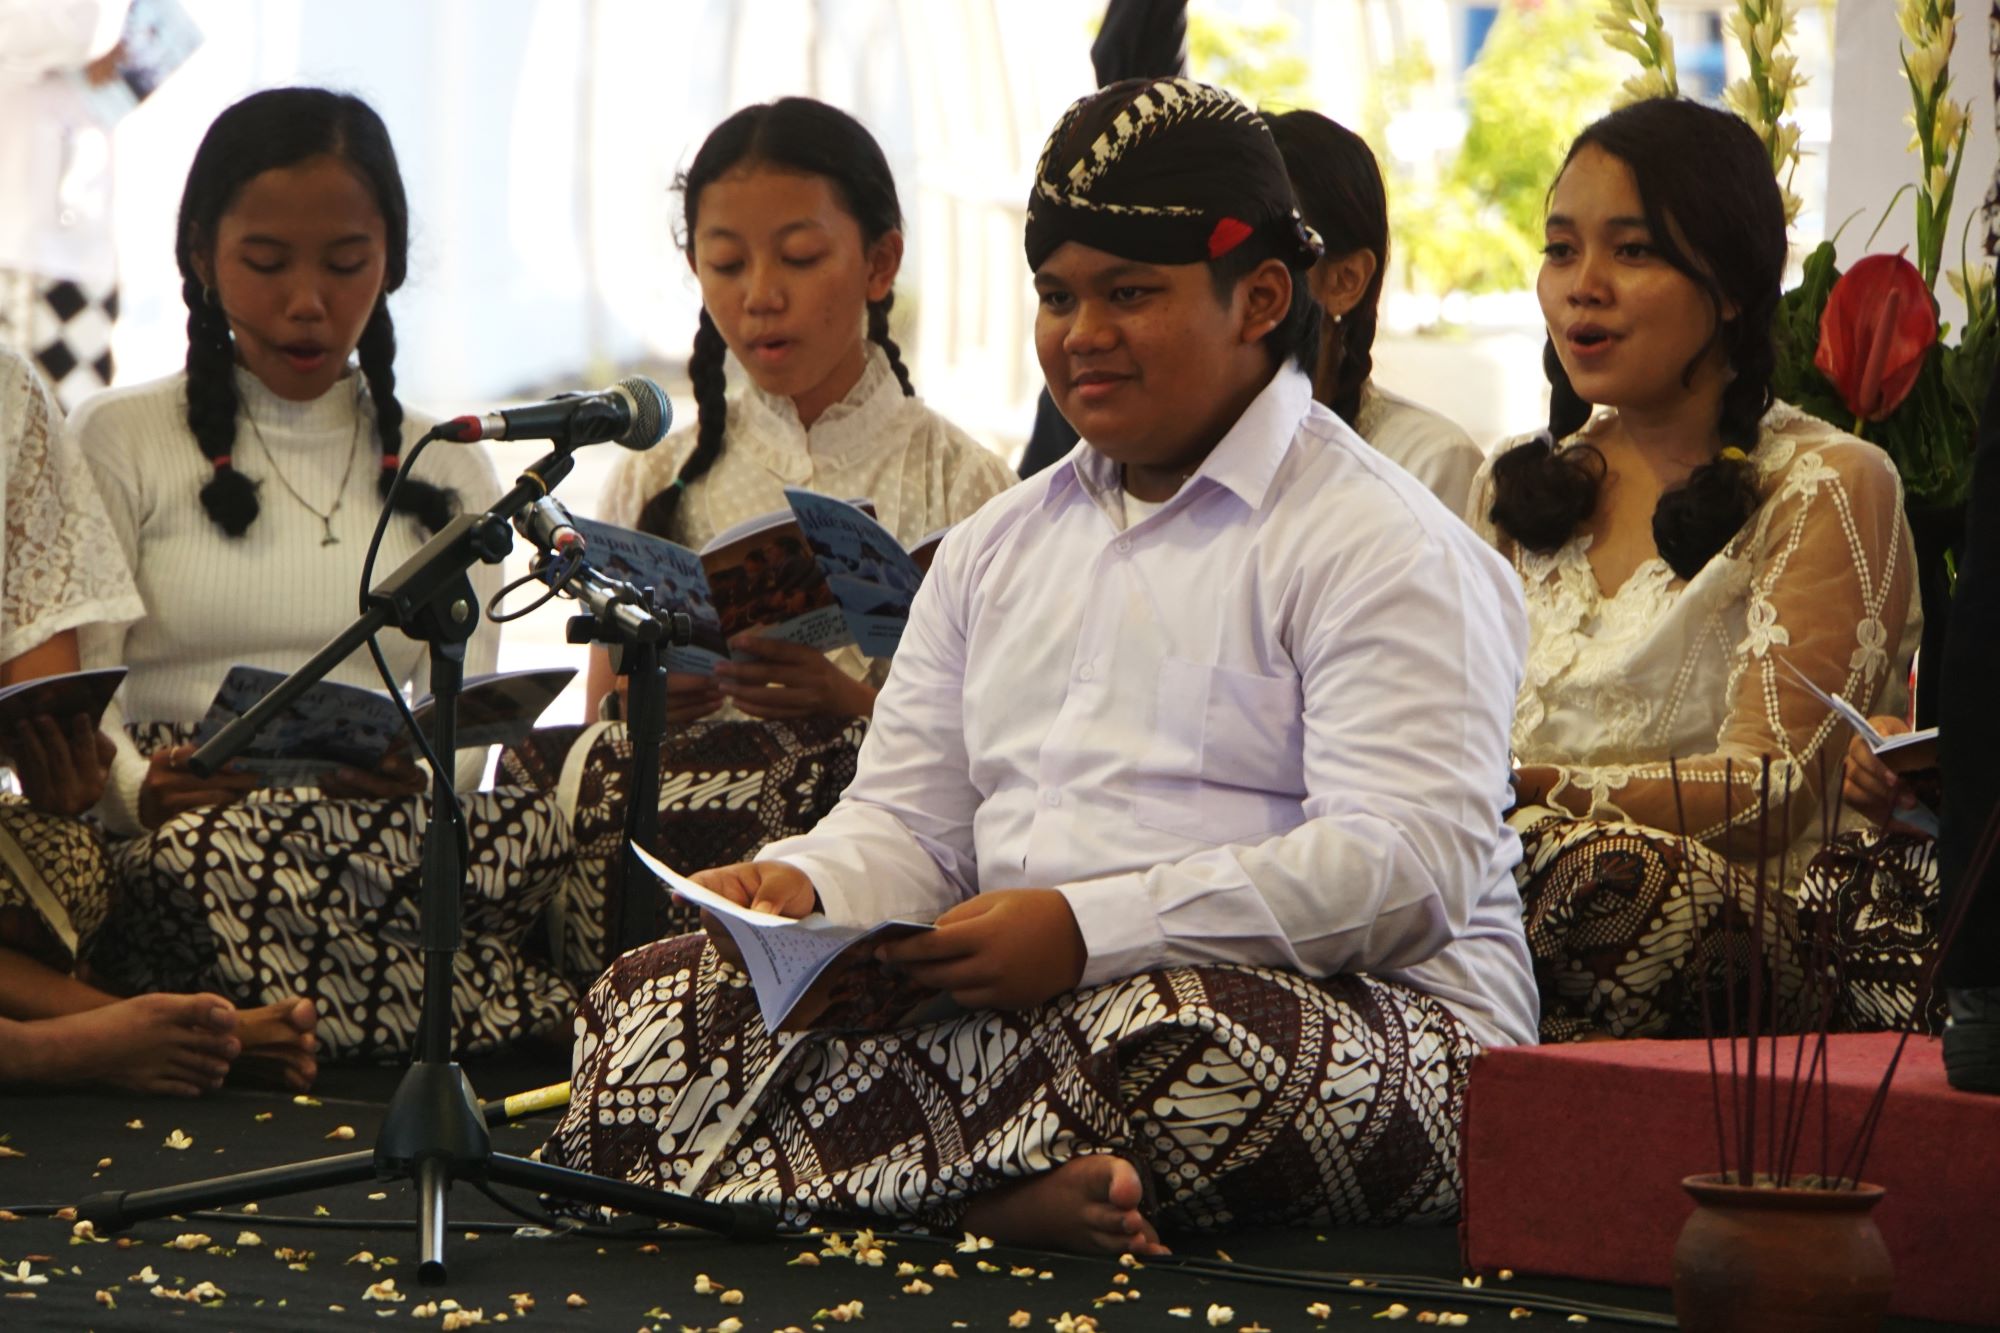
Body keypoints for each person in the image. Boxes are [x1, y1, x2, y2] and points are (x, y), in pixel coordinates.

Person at [540, 78, 1535, 1253]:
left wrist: (1084, 929)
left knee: (1199, 1053)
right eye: (1057, 296)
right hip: (1024, 1006)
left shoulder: (1383, 541)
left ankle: (887, 1190)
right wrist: (806, 888)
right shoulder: (997, 548)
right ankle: (993, 1196)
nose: (1081, 334)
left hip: (1358, 1023)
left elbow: (1402, 868)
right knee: (642, 1017)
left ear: (1260, 297)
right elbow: (910, 822)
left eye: (1129, 294)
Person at [68, 88, 573, 1063]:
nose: (308, 301)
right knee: (207, 867)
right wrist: (139, 790)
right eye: (266, 263)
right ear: (201, 257)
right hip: (192, 819)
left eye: (347, 265)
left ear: (390, 261)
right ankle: (510, 1011)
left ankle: (260, 1018)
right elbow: (78, 693)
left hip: (378, 822)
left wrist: (419, 768)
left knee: (538, 834)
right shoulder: (121, 437)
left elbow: (461, 732)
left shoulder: (447, 461)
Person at [1468, 98, 1922, 1043]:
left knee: (1613, 884)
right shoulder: (1513, 489)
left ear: (1727, 287)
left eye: (1630, 252)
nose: (1582, 287)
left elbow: (1771, 791)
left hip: (1729, 932)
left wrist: (1524, 792)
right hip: (1494, 884)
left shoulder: (1827, 482)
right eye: (1561, 250)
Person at [547, 98, 1014, 980]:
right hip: (674, 834)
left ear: (881, 261)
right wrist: (643, 705)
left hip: (856, 850)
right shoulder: (658, 475)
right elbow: (597, 723)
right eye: (726, 263)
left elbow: (1002, 755)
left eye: (800, 257)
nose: (761, 294)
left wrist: (849, 703)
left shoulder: (971, 485)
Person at [0, 341, 277, 1096]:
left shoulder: (7, 386)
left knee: (67, 864)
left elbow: (47, 703)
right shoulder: (123, 429)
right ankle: (64, 1041)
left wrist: (67, 771)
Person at [1265, 108, 1484, 513]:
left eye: (1266, 257)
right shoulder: (1180, 455)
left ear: (1346, 281)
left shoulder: (1427, 462)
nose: (1236, 286)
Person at [0, 1, 127, 410]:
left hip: (79, 250)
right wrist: (89, 45)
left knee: (72, 439)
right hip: (19, 247)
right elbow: (80, 30)